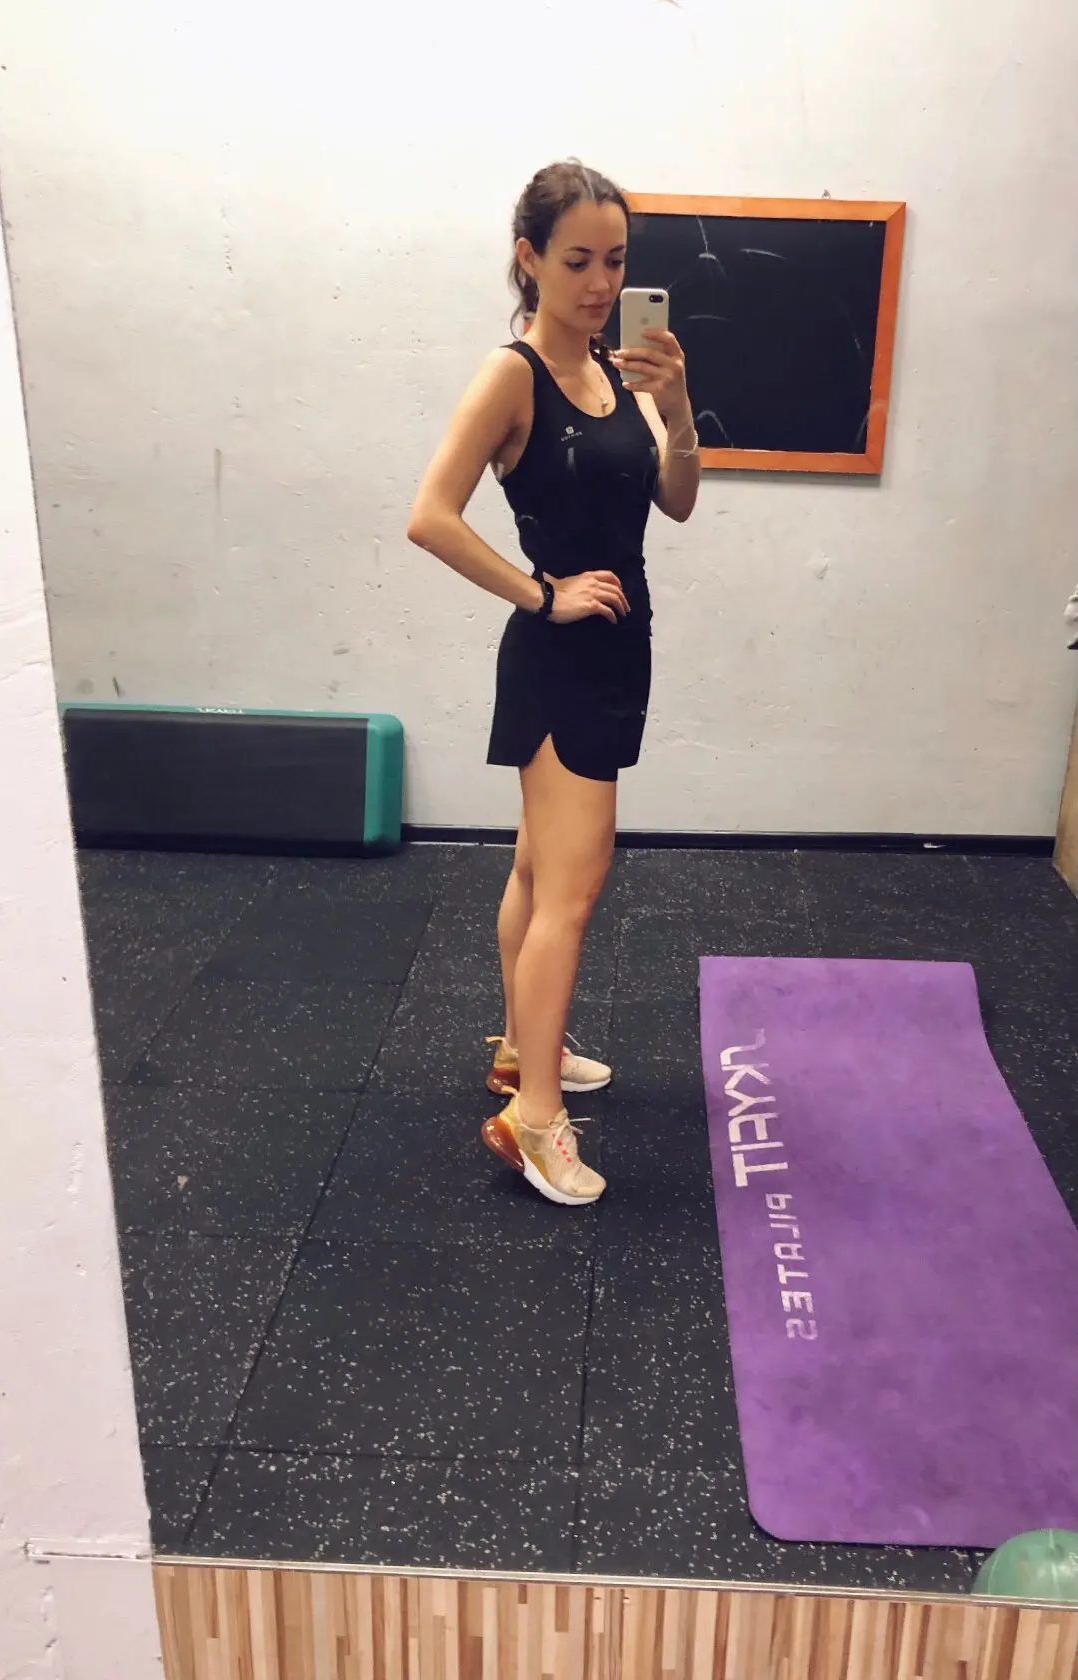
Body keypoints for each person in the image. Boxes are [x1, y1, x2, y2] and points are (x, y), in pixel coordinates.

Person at [407, 160, 699, 1207]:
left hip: (620, 645)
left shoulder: (619, 372)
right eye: (576, 260)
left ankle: (519, 1050)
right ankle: (532, 1121)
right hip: (560, 657)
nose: (599, 282)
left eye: (614, 260)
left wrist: (678, 410)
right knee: (570, 896)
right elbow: (429, 516)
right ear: (528, 258)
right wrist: (541, 593)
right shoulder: (513, 374)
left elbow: (674, 502)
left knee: (537, 873)